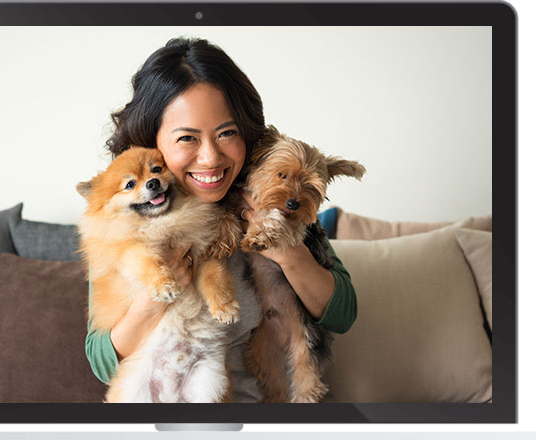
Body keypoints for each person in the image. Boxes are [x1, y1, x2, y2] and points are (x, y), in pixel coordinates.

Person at [84, 37, 357, 402]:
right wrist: (157, 293)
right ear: (153, 141)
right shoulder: (126, 218)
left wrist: (286, 251)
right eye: (187, 138)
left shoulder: (274, 200)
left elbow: (343, 313)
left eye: (227, 133)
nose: (211, 158)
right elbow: (102, 360)